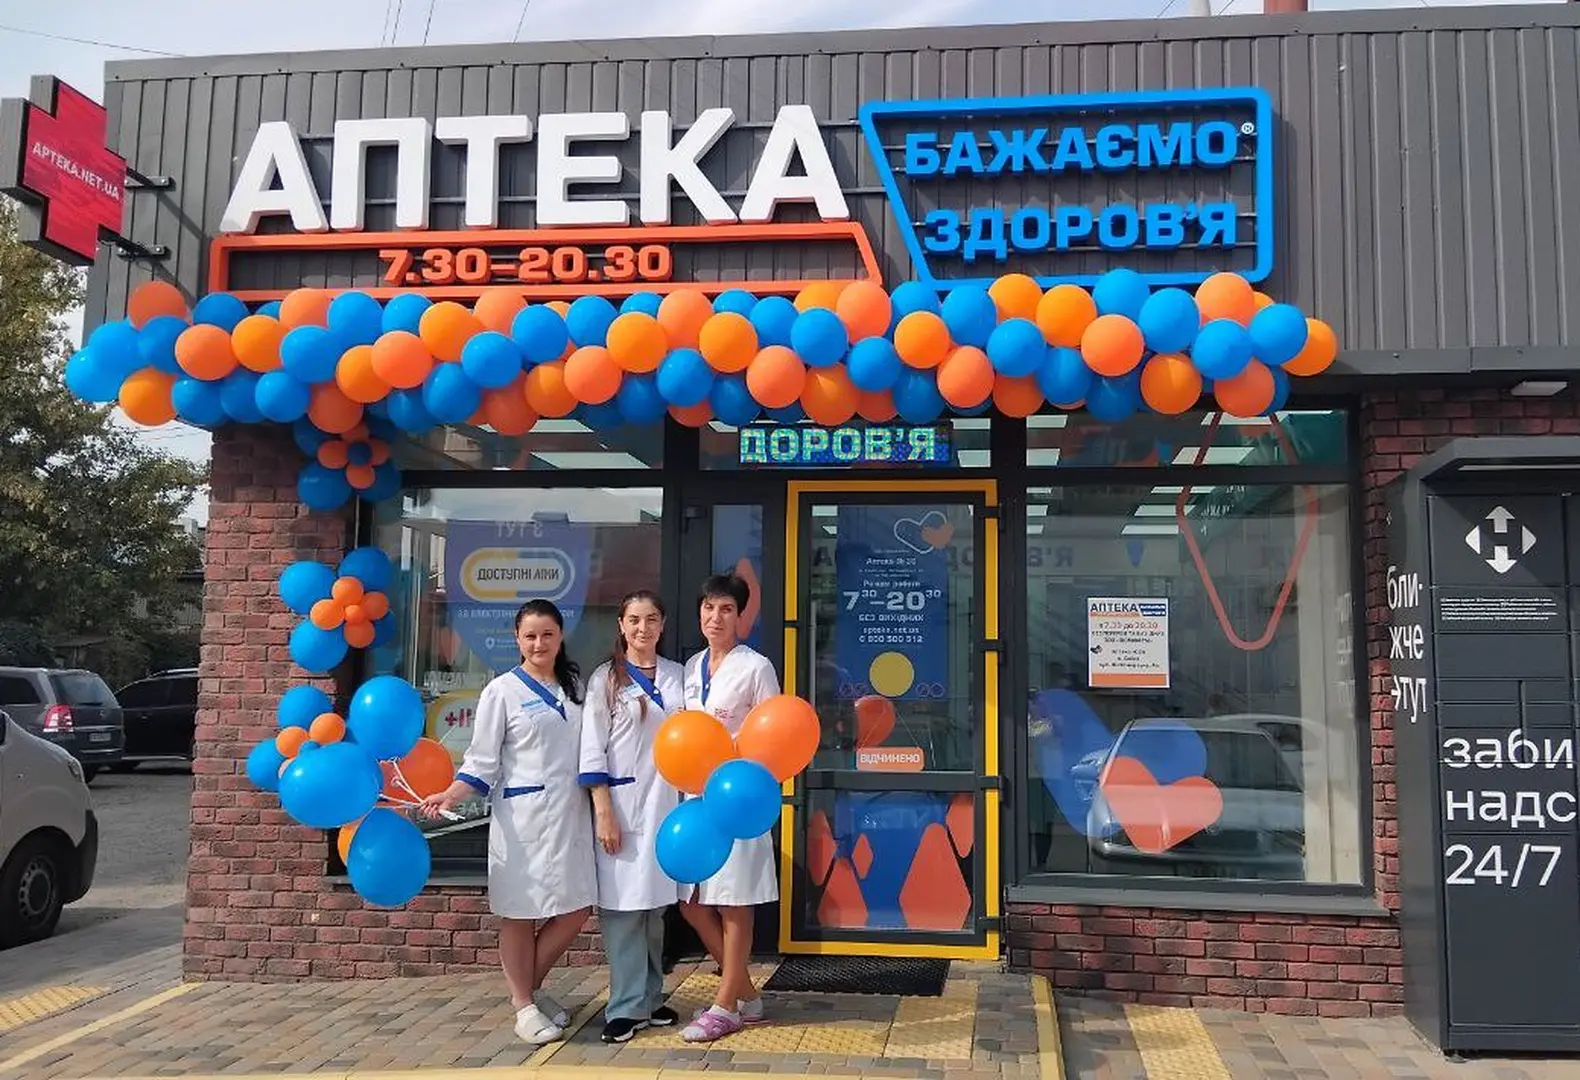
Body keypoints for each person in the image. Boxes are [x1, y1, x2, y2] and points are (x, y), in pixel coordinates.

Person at [420, 600, 595, 1046]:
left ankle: (529, 989)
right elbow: (482, 761)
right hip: (522, 820)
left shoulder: (575, 687)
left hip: (571, 816)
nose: (539, 643)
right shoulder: (501, 691)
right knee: (520, 912)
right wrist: (451, 794)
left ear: (560, 637)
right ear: (517, 639)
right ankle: (523, 1005)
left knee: (576, 908)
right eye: (530, 636)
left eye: (547, 634)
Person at [578, 590, 685, 1043]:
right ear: (621, 625)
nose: (644, 628)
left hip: (667, 807)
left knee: (655, 910)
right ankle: (623, 1007)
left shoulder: (679, 676)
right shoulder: (606, 679)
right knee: (623, 912)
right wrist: (603, 810)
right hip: (621, 808)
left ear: (663, 625)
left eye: (652, 619)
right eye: (635, 620)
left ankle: (651, 999)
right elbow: (592, 748)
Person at [678, 573, 781, 1043]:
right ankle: (747, 994)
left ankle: (725, 1006)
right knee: (692, 902)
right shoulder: (691, 666)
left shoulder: (756, 667)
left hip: (738, 799)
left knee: (735, 901)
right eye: (708, 608)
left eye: (725, 609)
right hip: (695, 801)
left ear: (741, 616)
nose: (715, 617)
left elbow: (772, 736)